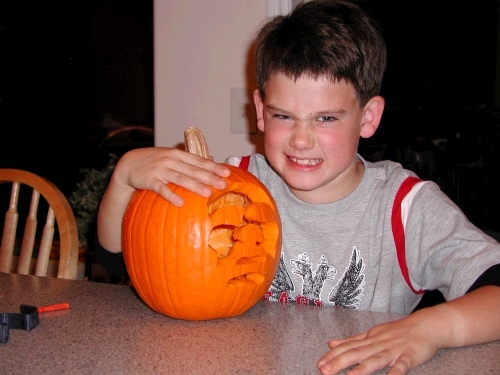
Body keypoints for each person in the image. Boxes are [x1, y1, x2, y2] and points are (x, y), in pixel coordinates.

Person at [96, 1, 500, 374]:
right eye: (284, 116)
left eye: (325, 119)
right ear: (260, 111)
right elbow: (118, 260)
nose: (301, 140)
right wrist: (125, 176)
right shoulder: (225, 184)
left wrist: (428, 329)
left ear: (368, 117)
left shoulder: (405, 207)